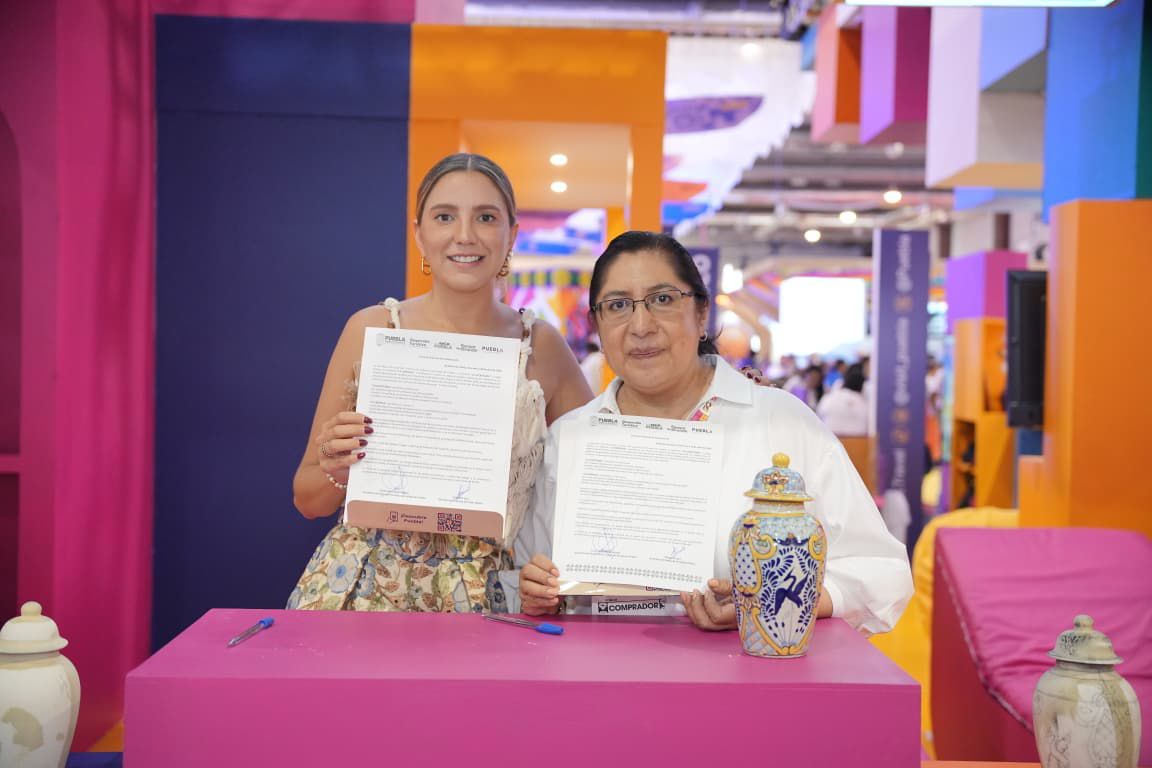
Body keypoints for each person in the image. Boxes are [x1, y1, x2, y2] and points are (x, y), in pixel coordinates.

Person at [517, 231, 912, 636]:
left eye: (663, 299)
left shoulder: (782, 423)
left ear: (701, 313)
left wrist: (766, 604)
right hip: (596, 671)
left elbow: (881, 571)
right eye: (618, 305)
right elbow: (524, 569)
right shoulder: (569, 440)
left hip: (747, 673)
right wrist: (533, 587)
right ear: (597, 326)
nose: (641, 325)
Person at [288, 153, 593, 613]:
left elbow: (591, 482)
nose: (464, 235)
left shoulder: (542, 346)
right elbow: (307, 499)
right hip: (363, 587)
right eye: (445, 216)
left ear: (511, 233)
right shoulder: (372, 329)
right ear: (419, 234)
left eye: (486, 217)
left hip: (486, 596)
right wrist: (339, 467)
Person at [816, 362, 869, 436]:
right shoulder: (861, 401)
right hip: (857, 439)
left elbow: (819, 415)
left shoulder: (828, 397)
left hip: (830, 438)